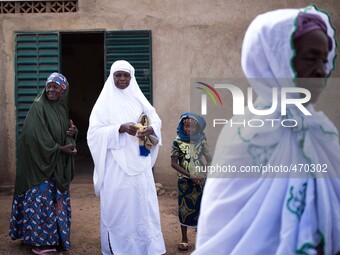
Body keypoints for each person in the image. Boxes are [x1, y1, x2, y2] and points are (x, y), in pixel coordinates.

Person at [193, 5, 340, 255]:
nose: (321, 70)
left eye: (325, 60)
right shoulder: (245, 134)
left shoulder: (321, 129)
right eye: (310, 58)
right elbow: (223, 226)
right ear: (274, 60)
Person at [87, 60, 166, 255]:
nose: (122, 79)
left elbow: (155, 118)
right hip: (115, 165)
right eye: (118, 75)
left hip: (139, 161)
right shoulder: (104, 102)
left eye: (126, 75)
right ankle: (118, 246)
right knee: (118, 206)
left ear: (132, 77)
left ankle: (145, 247)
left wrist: (151, 128)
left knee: (142, 206)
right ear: (112, 77)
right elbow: (93, 133)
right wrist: (120, 128)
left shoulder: (138, 98)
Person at [9, 73, 78, 255]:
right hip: (39, 165)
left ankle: (56, 239)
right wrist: (59, 149)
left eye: (55, 86)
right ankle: (40, 243)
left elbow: (62, 132)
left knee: (55, 202)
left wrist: (72, 132)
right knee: (41, 201)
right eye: (48, 86)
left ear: (64, 90)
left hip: (56, 165)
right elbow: (33, 136)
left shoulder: (61, 109)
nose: (51, 90)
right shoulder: (38, 106)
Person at [171, 112, 212, 252]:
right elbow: (174, 163)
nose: (188, 129)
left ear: (198, 128)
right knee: (184, 209)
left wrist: (203, 173)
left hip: (200, 181)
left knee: (201, 208)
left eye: (192, 127)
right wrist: (190, 175)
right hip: (185, 182)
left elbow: (209, 158)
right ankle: (184, 238)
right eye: (186, 126)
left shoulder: (202, 141)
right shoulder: (177, 142)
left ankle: (201, 238)